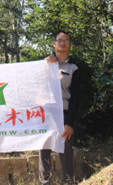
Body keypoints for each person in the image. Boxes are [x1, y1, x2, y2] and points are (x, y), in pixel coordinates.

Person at [41, 31, 82, 185]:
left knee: (65, 149)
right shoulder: (45, 65)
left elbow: (75, 97)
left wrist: (70, 123)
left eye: (66, 41)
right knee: (44, 146)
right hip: (46, 112)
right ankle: (45, 181)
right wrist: (44, 64)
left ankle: (68, 181)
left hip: (64, 113)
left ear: (70, 45)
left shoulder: (74, 68)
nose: (63, 43)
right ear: (54, 44)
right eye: (60, 40)